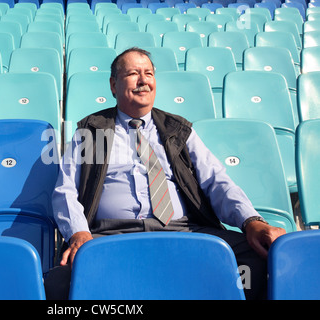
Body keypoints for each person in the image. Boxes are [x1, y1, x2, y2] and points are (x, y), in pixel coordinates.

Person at [45, 47, 286, 300]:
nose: (143, 80)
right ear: (113, 85)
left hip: (182, 233)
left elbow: (217, 182)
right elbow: (66, 190)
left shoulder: (178, 130)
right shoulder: (91, 131)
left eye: (148, 73)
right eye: (133, 74)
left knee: (256, 259)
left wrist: (251, 221)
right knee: (61, 283)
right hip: (111, 235)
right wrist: (79, 233)